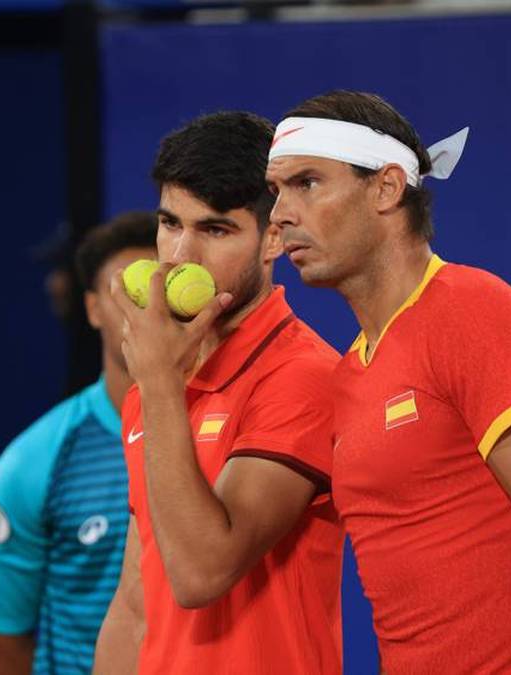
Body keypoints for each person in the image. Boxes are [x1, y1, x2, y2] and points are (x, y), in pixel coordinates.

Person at [266, 90, 511, 675]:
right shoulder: (349, 372)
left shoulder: (475, 313)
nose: (279, 214)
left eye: (306, 183)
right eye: (276, 190)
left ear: (385, 188)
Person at [94, 111, 344, 674]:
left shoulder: (303, 377)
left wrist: (157, 383)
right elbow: (137, 601)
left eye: (215, 230)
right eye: (169, 224)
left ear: (274, 237)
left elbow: (201, 573)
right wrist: (160, 383)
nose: (180, 257)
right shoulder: (160, 379)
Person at [0, 211, 158, 675]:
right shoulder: (34, 463)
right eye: (127, 290)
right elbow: (2, 638)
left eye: (160, 287)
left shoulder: (228, 430)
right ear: (93, 308)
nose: (145, 308)